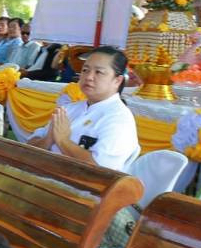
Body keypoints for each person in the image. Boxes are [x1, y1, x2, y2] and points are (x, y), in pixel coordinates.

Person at [26, 45, 140, 173]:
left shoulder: (119, 119)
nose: (89, 77)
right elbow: (29, 146)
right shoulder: (69, 109)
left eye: (98, 72)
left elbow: (101, 171)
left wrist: (63, 141)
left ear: (117, 81)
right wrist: (48, 140)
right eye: (85, 70)